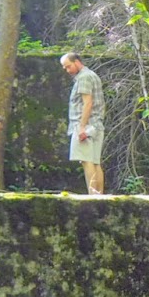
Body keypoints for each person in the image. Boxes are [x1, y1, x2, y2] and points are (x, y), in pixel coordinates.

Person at [60, 52, 105, 195]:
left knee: (86, 161)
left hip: (86, 125)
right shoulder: (93, 75)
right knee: (95, 162)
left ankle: (92, 195)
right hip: (97, 124)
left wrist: (81, 127)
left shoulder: (84, 78)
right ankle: (99, 195)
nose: (67, 70)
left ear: (77, 62)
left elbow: (88, 103)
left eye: (68, 66)